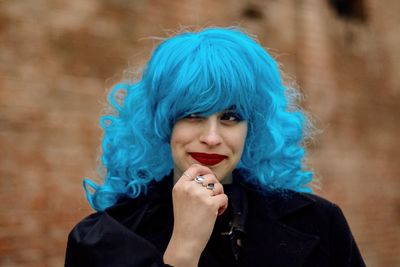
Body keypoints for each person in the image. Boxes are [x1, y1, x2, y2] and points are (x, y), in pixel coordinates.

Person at [65, 27, 366, 267]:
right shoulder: (102, 238)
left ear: (254, 128)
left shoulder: (319, 222)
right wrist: (183, 251)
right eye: (193, 115)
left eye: (230, 117)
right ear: (162, 124)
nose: (211, 137)